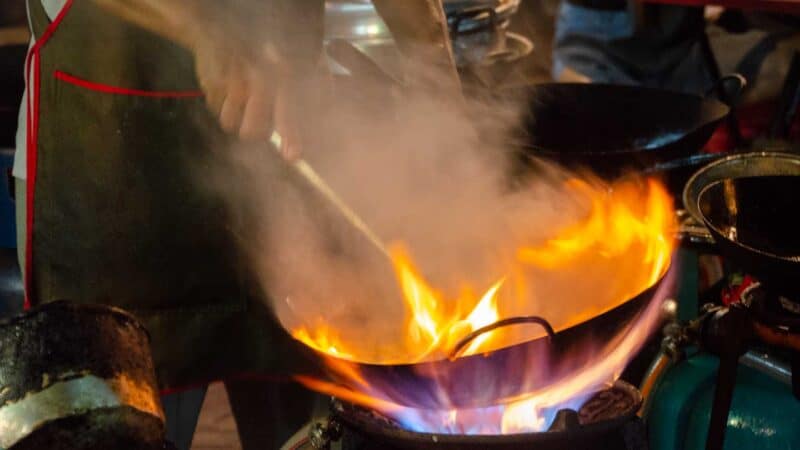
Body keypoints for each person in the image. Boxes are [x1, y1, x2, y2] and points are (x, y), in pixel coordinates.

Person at [13, 0, 459, 448]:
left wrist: (435, 67)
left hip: (288, 160)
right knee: (112, 425)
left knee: (318, 433)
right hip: (117, 169)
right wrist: (207, 28)